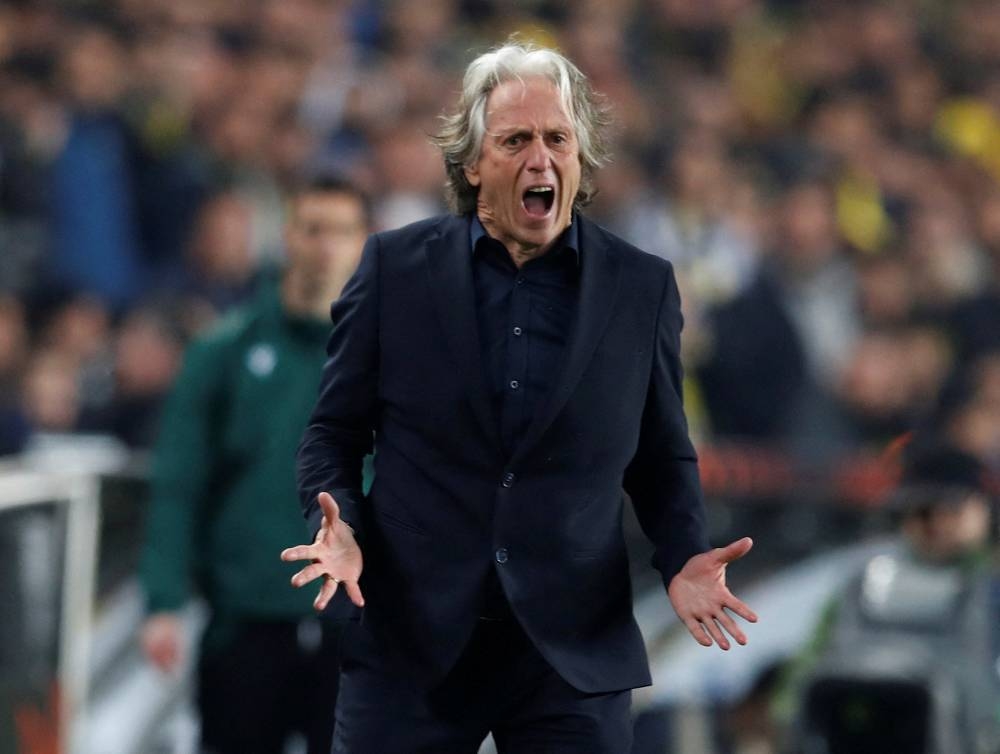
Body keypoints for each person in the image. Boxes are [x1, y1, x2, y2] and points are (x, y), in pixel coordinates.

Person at [282, 42, 757, 753]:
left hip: (569, 648)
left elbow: (660, 456)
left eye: (557, 139)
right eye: (515, 140)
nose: (541, 158)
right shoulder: (393, 271)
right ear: (472, 164)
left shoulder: (642, 288)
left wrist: (683, 555)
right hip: (413, 639)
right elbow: (333, 434)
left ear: (582, 158)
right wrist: (341, 524)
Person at [139, 176, 371, 754]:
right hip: (245, 621)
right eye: (312, 228)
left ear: (364, 242)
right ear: (287, 236)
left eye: (341, 231)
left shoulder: (390, 356)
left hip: (357, 624)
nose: (325, 246)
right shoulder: (224, 351)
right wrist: (164, 599)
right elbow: (178, 482)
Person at [775, 440, 1000, 753]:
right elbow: (810, 665)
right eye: (921, 511)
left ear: (982, 509)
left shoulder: (987, 586)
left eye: (950, 509)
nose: (934, 523)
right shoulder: (866, 579)